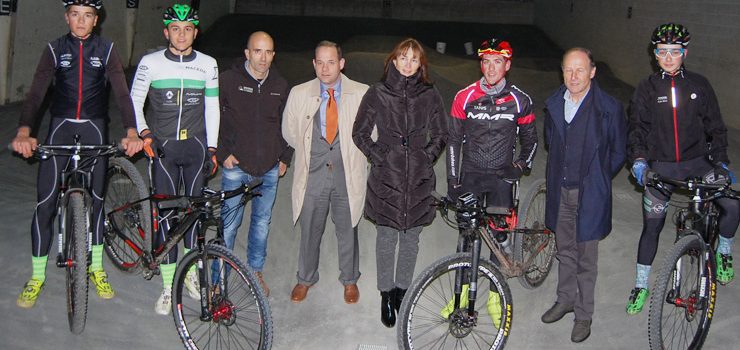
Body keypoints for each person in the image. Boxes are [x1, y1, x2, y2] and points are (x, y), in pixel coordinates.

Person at [12, 0, 144, 308]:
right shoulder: (55, 48)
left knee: (97, 204)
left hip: (94, 131)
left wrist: (131, 131)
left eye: (87, 16)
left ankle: (96, 268)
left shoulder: (107, 49)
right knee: (45, 204)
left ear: (96, 20)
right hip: (60, 128)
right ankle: (37, 276)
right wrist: (23, 131)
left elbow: (122, 93)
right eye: (75, 15)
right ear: (67, 18)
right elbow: (36, 93)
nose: (81, 21)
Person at [625, 23, 739, 315]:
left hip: (699, 163)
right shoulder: (647, 88)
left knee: (733, 205)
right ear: (655, 54)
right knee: (652, 226)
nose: (668, 57)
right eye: (662, 51)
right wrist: (639, 160)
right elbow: (637, 128)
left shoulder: (699, 85)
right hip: (661, 166)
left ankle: (724, 251)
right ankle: (641, 284)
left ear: (684, 53)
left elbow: (716, 127)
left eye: (674, 51)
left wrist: (721, 161)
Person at [130, 3, 220, 315]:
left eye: (188, 29)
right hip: (164, 149)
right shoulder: (150, 63)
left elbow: (212, 107)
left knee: (193, 218)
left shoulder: (208, 64)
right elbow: (135, 100)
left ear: (196, 31)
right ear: (166, 31)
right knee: (167, 220)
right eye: (175, 29)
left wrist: (212, 148)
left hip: (195, 147)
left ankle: (192, 275)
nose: (182, 34)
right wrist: (144, 133)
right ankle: (169, 287)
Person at [443, 37, 537, 328]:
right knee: (466, 238)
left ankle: (496, 301)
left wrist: (518, 168)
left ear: (507, 64)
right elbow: (453, 141)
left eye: (498, 61)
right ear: (480, 63)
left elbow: (531, 141)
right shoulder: (464, 96)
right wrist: (453, 181)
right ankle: (459, 298)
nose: (491, 67)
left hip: (501, 178)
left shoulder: (520, 100)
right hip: (470, 175)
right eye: (486, 61)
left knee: (498, 240)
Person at [352, 38, 447, 327]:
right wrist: (381, 156)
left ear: (421, 65)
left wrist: (424, 156)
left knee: (411, 240)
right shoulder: (378, 92)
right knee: (386, 238)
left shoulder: (430, 94)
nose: (408, 64)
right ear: (393, 61)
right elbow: (360, 133)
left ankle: (402, 291)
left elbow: (441, 134)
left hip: (418, 179)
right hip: (386, 178)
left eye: (414, 59)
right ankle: (385, 293)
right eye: (403, 58)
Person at [539, 48, 627, 343]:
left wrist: (598, 178)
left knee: (586, 258)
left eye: (580, 70)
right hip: (561, 190)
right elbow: (551, 141)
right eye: (567, 70)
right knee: (564, 250)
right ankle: (565, 300)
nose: (573, 76)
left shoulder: (609, 108)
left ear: (592, 72)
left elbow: (617, 153)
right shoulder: (554, 104)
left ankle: (583, 314)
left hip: (590, 194)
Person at [282, 41, 369, 304]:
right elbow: (290, 131)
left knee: (348, 227)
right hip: (314, 171)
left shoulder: (362, 93)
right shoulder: (299, 93)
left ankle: (350, 279)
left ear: (341, 64)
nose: (325, 67)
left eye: (331, 62)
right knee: (310, 227)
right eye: (320, 62)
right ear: (313, 64)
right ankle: (305, 278)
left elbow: (371, 133)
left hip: (346, 171)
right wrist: (314, 150)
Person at [215, 31, 292, 297]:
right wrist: (222, 152)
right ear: (247, 53)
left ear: (273, 55)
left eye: (268, 52)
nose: (263, 57)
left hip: (269, 169)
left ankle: (254, 272)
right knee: (229, 225)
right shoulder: (227, 80)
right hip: (235, 167)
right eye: (257, 51)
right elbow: (210, 117)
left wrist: (285, 157)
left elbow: (289, 124)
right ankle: (218, 280)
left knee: (261, 223)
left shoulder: (281, 85)